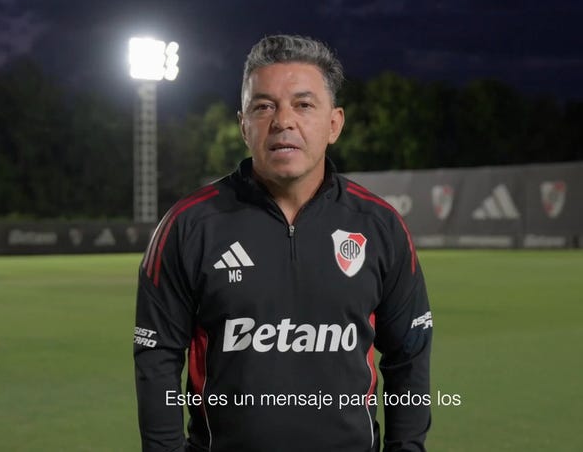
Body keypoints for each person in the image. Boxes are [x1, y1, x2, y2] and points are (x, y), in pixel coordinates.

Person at [134, 34, 433, 452]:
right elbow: (157, 360)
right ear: (244, 125)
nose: (282, 121)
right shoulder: (189, 225)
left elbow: (409, 356)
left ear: (334, 124)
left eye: (303, 104)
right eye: (263, 106)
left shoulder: (380, 226)